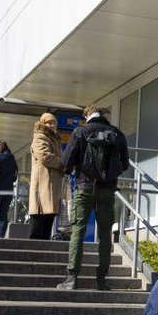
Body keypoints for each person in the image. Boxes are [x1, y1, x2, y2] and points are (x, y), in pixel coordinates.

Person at [56, 104, 129, 291]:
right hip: (107, 190)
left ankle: (72, 279)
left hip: (84, 187)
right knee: (105, 235)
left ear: (87, 115)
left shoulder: (80, 132)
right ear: (102, 115)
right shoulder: (117, 133)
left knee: (78, 231)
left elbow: (66, 162)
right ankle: (102, 279)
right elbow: (125, 164)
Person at [28, 113, 66, 240]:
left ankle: (43, 245)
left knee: (49, 217)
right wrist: (62, 164)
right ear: (43, 123)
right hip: (43, 183)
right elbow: (45, 156)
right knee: (39, 219)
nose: (52, 125)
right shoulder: (39, 137)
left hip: (51, 183)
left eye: (54, 123)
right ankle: (33, 250)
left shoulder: (54, 140)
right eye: (49, 123)